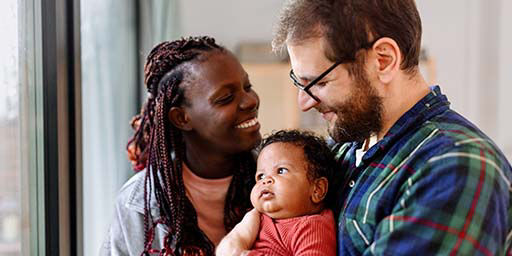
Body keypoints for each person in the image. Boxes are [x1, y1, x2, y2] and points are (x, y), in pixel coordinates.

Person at [221, 0, 512, 255]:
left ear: (383, 60)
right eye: (300, 83)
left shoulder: (455, 167)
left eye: (319, 83)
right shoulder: (346, 146)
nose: (304, 103)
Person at [100, 36, 262, 256]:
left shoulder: (287, 178)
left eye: (247, 86)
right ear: (182, 118)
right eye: (225, 98)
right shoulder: (138, 205)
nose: (250, 101)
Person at [218, 130, 337, 255]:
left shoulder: (311, 226)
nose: (266, 181)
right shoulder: (255, 218)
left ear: (317, 190)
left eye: (281, 171)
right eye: (261, 176)